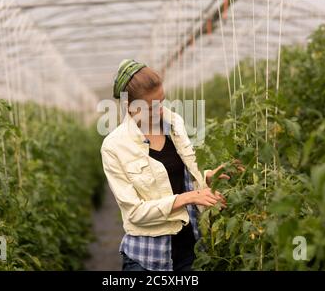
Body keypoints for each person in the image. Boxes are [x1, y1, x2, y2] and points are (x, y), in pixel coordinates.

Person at [100, 59, 242, 271]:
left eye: (162, 102)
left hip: (190, 250)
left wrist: (206, 177)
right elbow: (134, 213)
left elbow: (180, 176)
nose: (159, 111)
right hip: (148, 258)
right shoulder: (114, 147)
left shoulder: (174, 122)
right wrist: (188, 198)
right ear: (129, 107)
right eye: (150, 108)